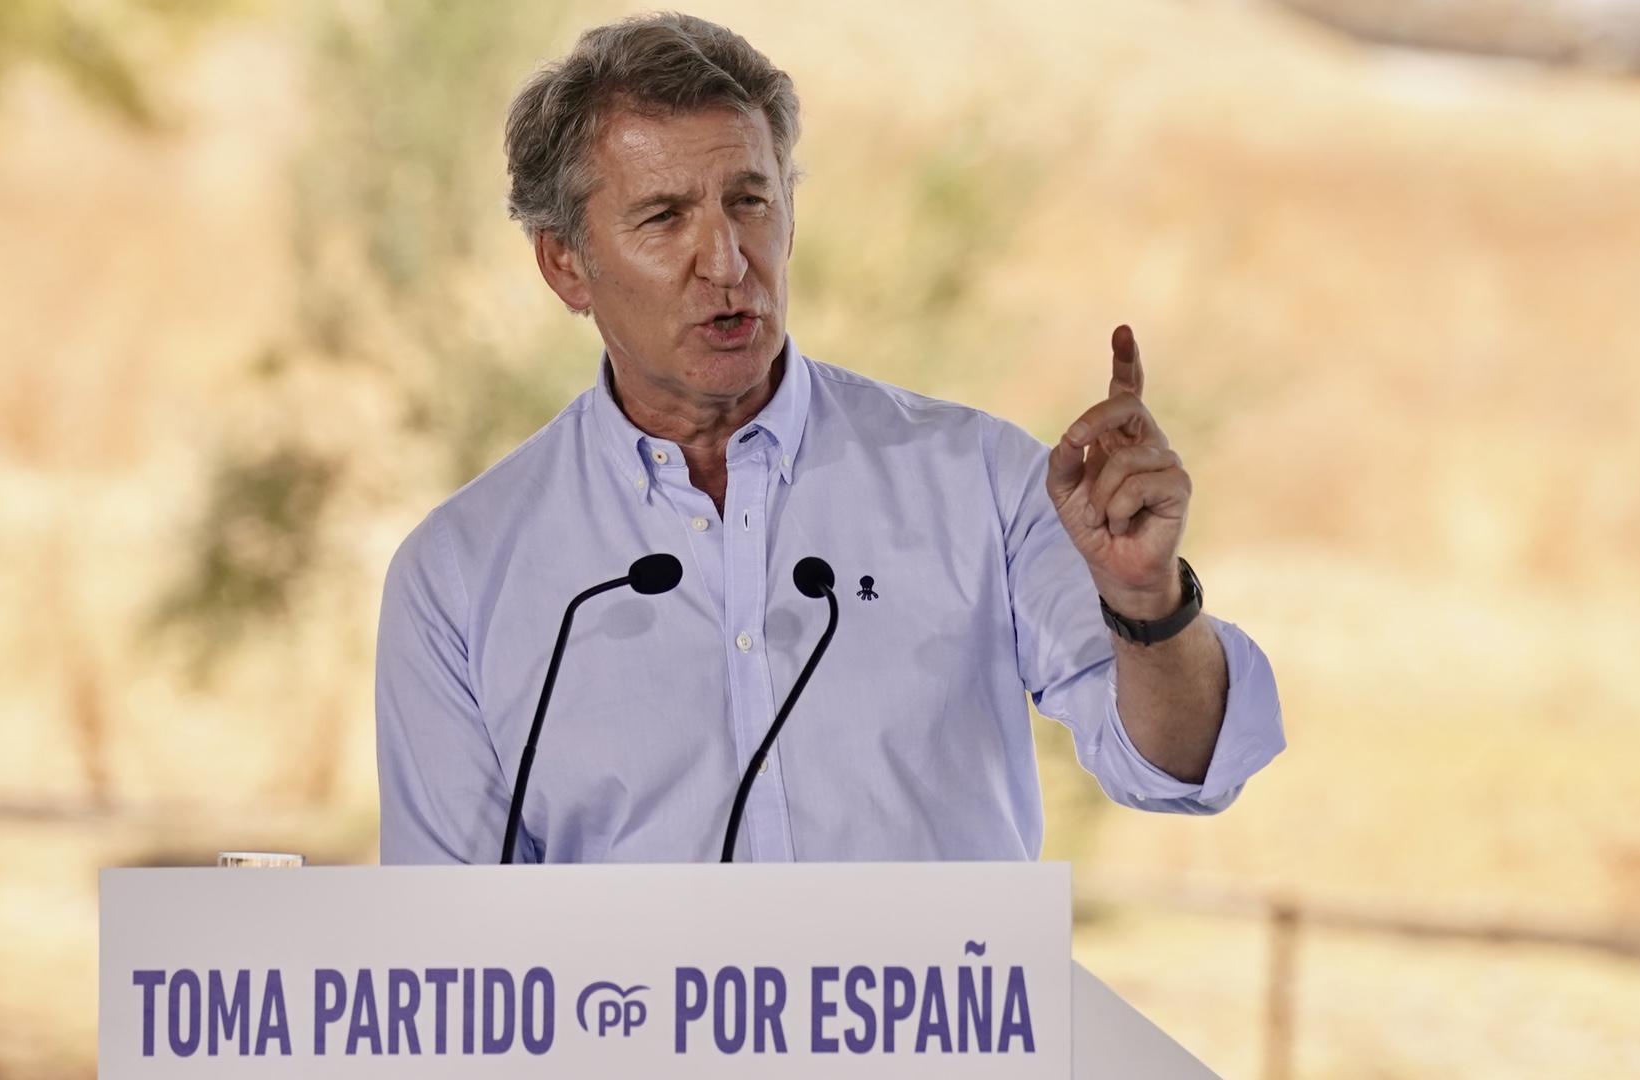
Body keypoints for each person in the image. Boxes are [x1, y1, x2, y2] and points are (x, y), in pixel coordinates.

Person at [375, 12, 1285, 864]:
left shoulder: (979, 481)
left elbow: (1179, 768)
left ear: (792, 216)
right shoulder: (463, 573)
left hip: (936, 1034)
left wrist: (1147, 602)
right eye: (664, 218)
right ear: (564, 263)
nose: (728, 262)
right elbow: (456, 944)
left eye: (749, 202)